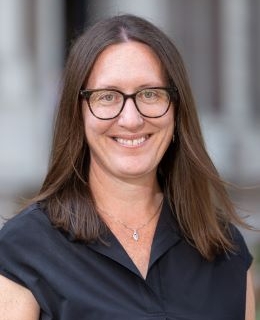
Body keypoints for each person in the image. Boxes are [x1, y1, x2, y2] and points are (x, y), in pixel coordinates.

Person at [0, 14, 255, 320]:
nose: (131, 119)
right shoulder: (26, 248)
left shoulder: (227, 251)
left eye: (150, 94)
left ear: (176, 110)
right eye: (107, 97)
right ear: (78, 115)